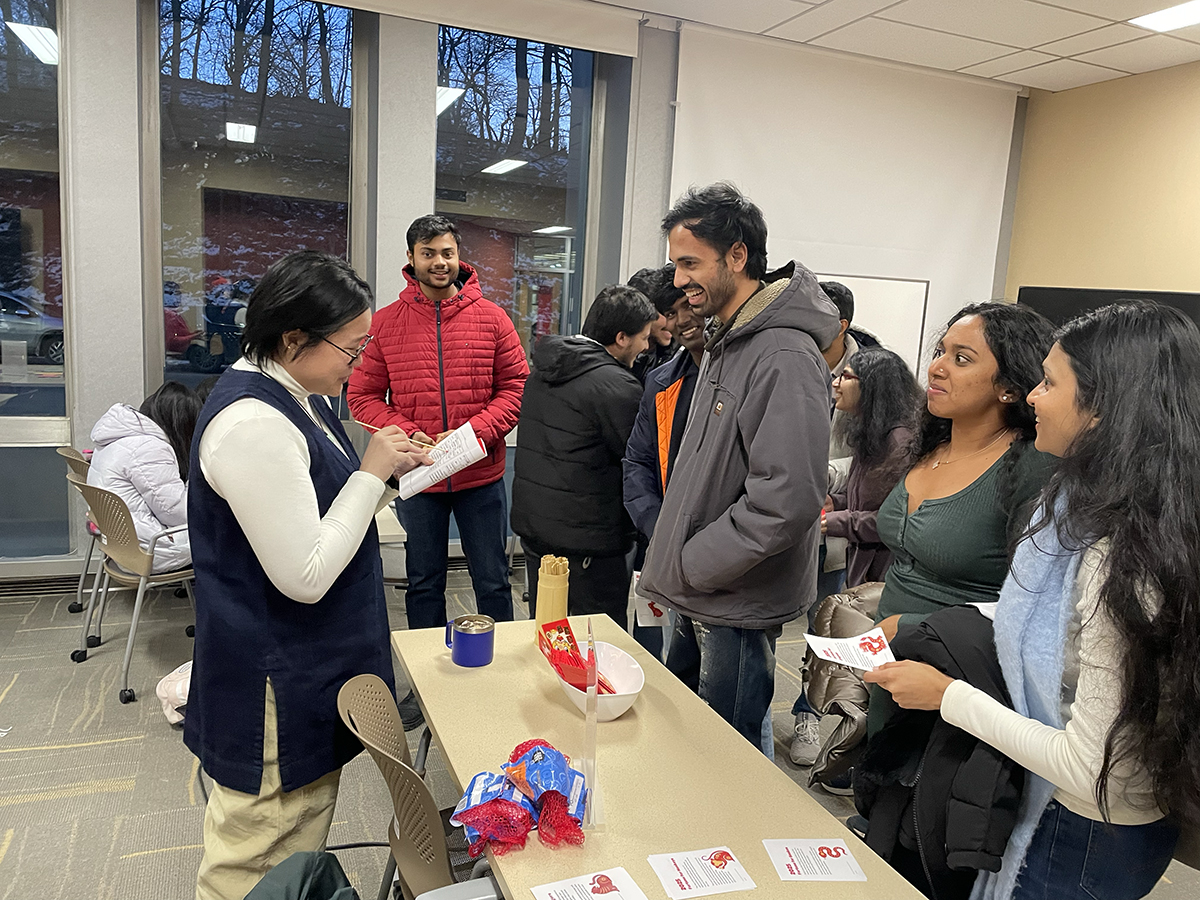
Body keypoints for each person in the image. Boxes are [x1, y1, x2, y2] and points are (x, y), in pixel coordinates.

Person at [867, 301, 1198, 900]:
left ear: (1104, 410)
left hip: (1084, 824)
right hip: (1054, 793)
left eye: (1050, 383)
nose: (1034, 398)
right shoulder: (1078, 505)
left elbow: (1087, 767)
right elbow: (1045, 619)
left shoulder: (1122, 552)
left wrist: (948, 695)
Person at [185, 251, 431, 900]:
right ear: (294, 339)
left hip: (306, 667)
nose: (359, 362)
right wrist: (371, 474)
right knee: (256, 860)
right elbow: (306, 573)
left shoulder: (302, 394)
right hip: (272, 683)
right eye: (351, 348)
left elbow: (321, 515)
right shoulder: (251, 421)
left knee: (296, 853)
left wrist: (385, 476)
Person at [638, 182, 841, 753]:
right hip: (706, 590)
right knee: (694, 744)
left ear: (737, 256)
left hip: (733, 597)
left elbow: (787, 498)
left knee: (730, 757)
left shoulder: (782, 355)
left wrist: (695, 561)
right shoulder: (729, 342)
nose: (678, 280)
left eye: (689, 263)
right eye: (676, 263)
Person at [349, 214, 527, 637]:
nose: (439, 262)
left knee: (493, 580)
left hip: (480, 476)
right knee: (424, 583)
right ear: (411, 258)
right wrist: (408, 434)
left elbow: (515, 387)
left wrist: (474, 432)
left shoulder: (493, 318)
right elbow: (361, 396)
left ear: (459, 256)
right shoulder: (386, 323)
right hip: (420, 477)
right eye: (428, 253)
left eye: (447, 252)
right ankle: (424, 675)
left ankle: (500, 672)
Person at [789, 349, 921, 765]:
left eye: (846, 376)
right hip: (862, 567)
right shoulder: (871, 436)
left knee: (875, 671)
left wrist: (838, 521)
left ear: (873, 388)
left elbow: (896, 519)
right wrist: (834, 501)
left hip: (885, 575)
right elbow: (864, 494)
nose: (836, 383)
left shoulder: (900, 443)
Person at [511, 284, 657, 626]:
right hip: (589, 541)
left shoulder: (543, 372)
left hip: (537, 531)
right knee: (600, 641)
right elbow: (638, 461)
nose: (647, 346)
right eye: (644, 337)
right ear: (622, 338)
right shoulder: (618, 388)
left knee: (549, 629)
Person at [622, 263, 702, 657]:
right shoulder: (660, 377)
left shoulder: (748, 374)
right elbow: (637, 458)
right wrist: (657, 525)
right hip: (658, 527)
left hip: (717, 550)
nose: (679, 321)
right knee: (655, 629)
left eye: (689, 306)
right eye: (670, 313)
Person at [87, 381, 202, 572]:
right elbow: (178, 514)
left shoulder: (117, 437)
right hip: (150, 550)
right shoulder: (149, 448)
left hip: (121, 544)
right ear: (182, 424)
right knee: (232, 530)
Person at [628, 266, 678, 383]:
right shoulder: (629, 349)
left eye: (671, 313)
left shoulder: (683, 354)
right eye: (662, 312)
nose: (669, 321)